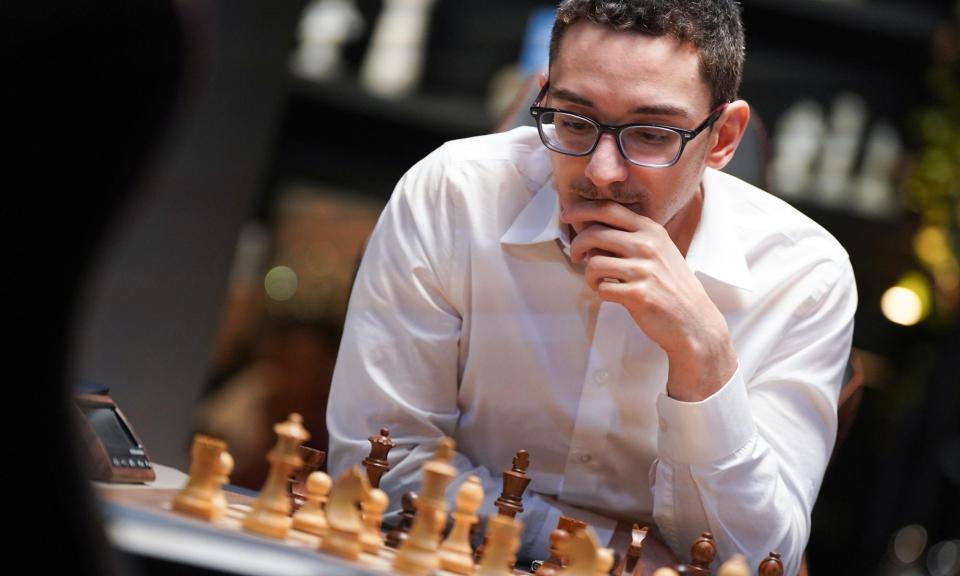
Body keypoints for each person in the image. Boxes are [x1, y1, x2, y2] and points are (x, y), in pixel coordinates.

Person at [327, 1, 856, 573]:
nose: (602, 171)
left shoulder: (806, 276)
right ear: (544, 97)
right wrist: (606, 548)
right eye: (575, 123)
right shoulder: (452, 195)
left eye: (651, 134)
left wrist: (704, 354)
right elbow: (379, 468)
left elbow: (758, 561)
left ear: (723, 138)